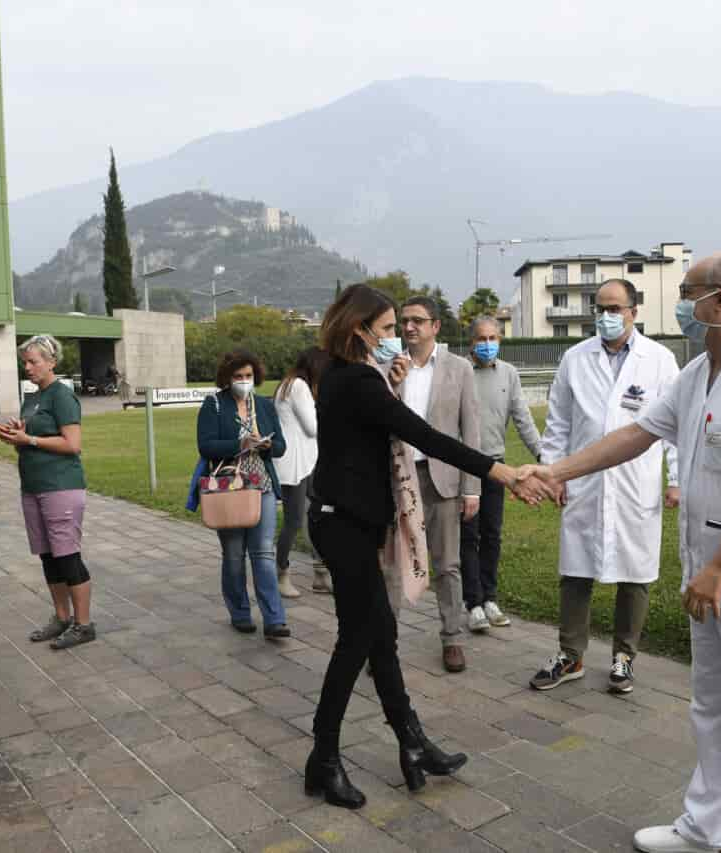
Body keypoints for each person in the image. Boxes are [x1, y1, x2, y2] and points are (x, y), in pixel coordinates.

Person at [518, 252, 721, 853]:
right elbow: (635, 435)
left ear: (720, 300)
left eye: (686, 294)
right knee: (713, 712)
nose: (679, 307)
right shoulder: (695, 376)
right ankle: (706, 826)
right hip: (706, 582)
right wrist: (556, 468)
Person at [306, 284, 522, 809]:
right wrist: (502, 472)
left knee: (381, 640)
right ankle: (323, 761)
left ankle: (412, 743)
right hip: (344, 526)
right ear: (359, 330)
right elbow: (425, 437)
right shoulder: (357, 379)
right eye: (384, 330)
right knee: (356, 642)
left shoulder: (348, 374)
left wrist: (391, 384)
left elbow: (379, 428)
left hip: (348, 522)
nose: (393, 339)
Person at [529, 279, 679, 695]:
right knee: (575, 569)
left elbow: (676, 428)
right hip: (583, 481)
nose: (606, 316)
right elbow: (557, 423)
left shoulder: (661, 361)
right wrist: (551, 473)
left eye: (615, 309)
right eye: (600, 308)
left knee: (636, 571)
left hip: (636, 482)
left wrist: (676, 480)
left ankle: (624, 657)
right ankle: (570, 654)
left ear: (634, 311)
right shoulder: (575, 358)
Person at [396, 295, 482, 673]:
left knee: (447, 565)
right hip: (399, 479)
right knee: (392, 564)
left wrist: (472, 487)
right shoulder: (389, 368)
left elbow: (470, 430)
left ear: (435, 326)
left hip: (442, 479)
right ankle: (384, 642)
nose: (409, 327)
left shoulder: (459, 368)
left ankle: (452, 638)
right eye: (404, 321)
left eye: (417, 320)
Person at [0, 335, 95, 650]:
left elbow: (72, 444)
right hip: (33, 487)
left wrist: (31, 441)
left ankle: (84, 624)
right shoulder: (33, 397)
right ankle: (62, 617)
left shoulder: (61, 396)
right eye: (25, 361)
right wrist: (16, 435)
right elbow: (32, 437)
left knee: (67, 556)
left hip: (60, 486)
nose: (28, 367)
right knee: (48, 556)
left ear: (52, 362)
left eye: (33, 361)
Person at [197, 350, 291, 638]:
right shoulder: (213, 404)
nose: (244, 381)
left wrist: (266, 446)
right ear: (227, 378)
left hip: (260, 485)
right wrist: (240, 443)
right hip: (229, 488)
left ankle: (274, 619)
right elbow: (206, 446)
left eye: (248, 376)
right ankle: (240, 612)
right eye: (238, 376)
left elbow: (281, 446)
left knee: (263, 553)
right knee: (234, 555)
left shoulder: (263, 405)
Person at [461, 315, 541, 633]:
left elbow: (523, 418)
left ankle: (490, 597)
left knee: (492, 534)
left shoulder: (509, 374)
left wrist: (543, 457)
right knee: (468, 536)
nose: (488, 344)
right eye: (482, 338)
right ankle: (473, 603)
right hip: (464, 466)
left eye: (493, 337)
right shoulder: (460, 371)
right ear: (471, 342)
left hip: (496, 467)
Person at [274, 347, 331, 596]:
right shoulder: (299, 387)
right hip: (296, 464)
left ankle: (321, 573)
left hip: (305, 463)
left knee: (318, 515)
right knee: (295, 520)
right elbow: (312, 427)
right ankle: (281, 574)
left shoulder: (289, 384)